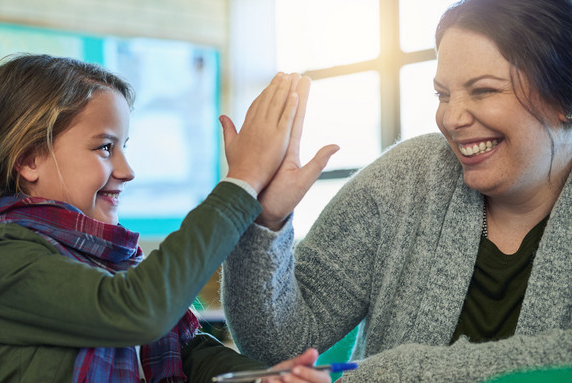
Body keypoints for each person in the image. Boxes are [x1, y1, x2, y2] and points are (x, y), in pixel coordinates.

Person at [221, 0, 572, 381]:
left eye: (484, 91)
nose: (452, 119)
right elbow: (278, 350)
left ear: (562, 100)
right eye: (443, 95)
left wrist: (384, 373)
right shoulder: (402, 182)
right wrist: (265, 222)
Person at [0, 53, 338, 382]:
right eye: (105, 147)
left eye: (125, 147)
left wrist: (264, 378)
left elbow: (190, 355)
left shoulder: (108, 259)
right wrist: (242, 182)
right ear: (29, 160)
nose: (127, 169)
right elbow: (139, 312)